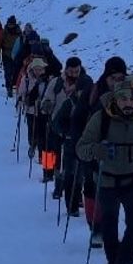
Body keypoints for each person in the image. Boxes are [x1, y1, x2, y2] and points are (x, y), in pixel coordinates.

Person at [77, 75, 133, 264]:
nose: (128, 103)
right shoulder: (101, 119)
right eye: (123, 99)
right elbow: (81, 148)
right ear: (115, 99)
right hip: (107, 181)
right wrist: (96, 150)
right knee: (109, 224)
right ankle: (113, 260)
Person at [41, 57, 89, 203]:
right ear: (66, 69)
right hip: (56, 124)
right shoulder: (56, 83)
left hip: (77, 128)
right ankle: (53, 179)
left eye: (77, 71)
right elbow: (46, 99)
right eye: (71, 71)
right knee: (51, 153)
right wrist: (47, 105)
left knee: (75, 163)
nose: (74, 74)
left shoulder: (85, 83)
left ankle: (76, 191)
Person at [15, 57, 52, 163]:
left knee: (43, 136)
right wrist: (21, 100)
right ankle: (33, 145)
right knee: (32, 131)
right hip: (31, 110)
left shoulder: (47, 80)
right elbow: (21, 92)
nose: (38, 71)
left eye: (40, 69)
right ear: (32, 69)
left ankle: (43, 159)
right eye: (36, 69)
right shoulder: (26, 79)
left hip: (43, 112)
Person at [0, 16, 23, 98]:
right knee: (7, 72)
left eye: (12, 24)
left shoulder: (19, 32)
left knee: (14, 72)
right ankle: (8, 87)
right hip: (6, 54)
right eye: (9, 24)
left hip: (16, 55)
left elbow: (22, 42)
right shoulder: (4, 31)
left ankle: (13, 85)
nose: (10, 25)